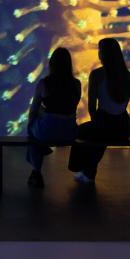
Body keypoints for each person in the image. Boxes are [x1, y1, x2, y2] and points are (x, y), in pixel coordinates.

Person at [69, 37, 130, 183]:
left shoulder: (97, 75)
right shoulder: (127, 75)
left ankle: (83, 169)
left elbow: (92, 106)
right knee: (100, 136)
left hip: (105, 123)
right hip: (124, 127)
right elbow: (123, 105)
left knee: (84, 133)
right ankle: (89, 172)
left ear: (102, 54)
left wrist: (97, 124)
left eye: (100, 51)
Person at [24, 47, 82, 189]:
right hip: (69, 133)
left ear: (51, 64)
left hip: (47, 131)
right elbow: (72, 107)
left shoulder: (44, 84)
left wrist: (38, 117)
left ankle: (36, 170)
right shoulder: (77, 84)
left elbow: (33, 110)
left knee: (32, 136)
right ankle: (42, 150)